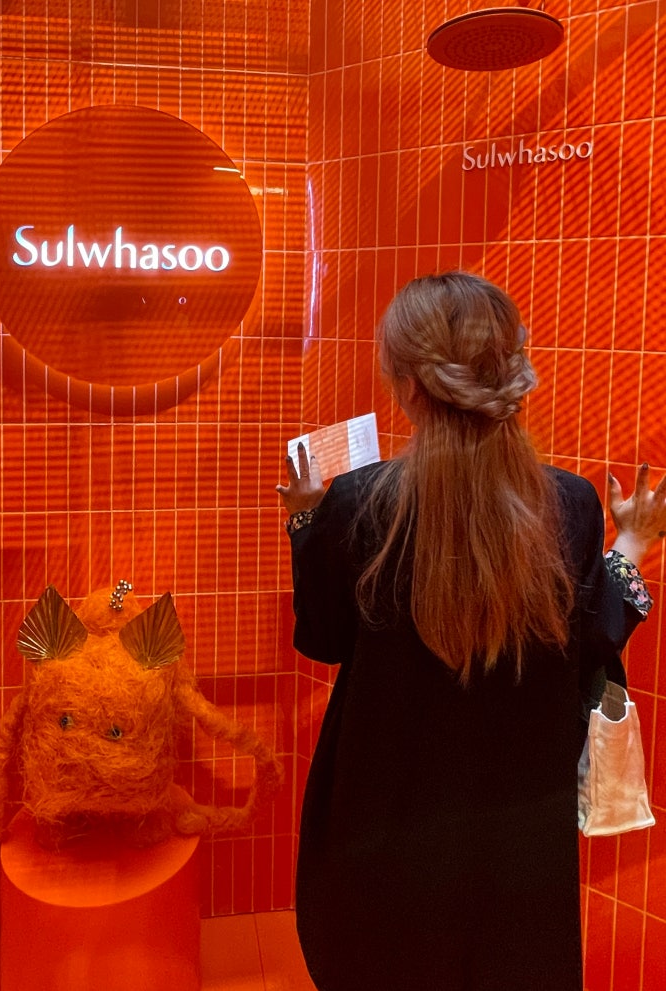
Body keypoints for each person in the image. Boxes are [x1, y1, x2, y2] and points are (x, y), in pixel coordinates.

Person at [275, 271, 666, 991]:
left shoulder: (358, 502)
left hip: (381, 817)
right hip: (517, 830)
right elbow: (592, 640)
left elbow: (322, 639)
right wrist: (634, 541)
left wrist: (306, 517)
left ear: (408, 386)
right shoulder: (570, 502)